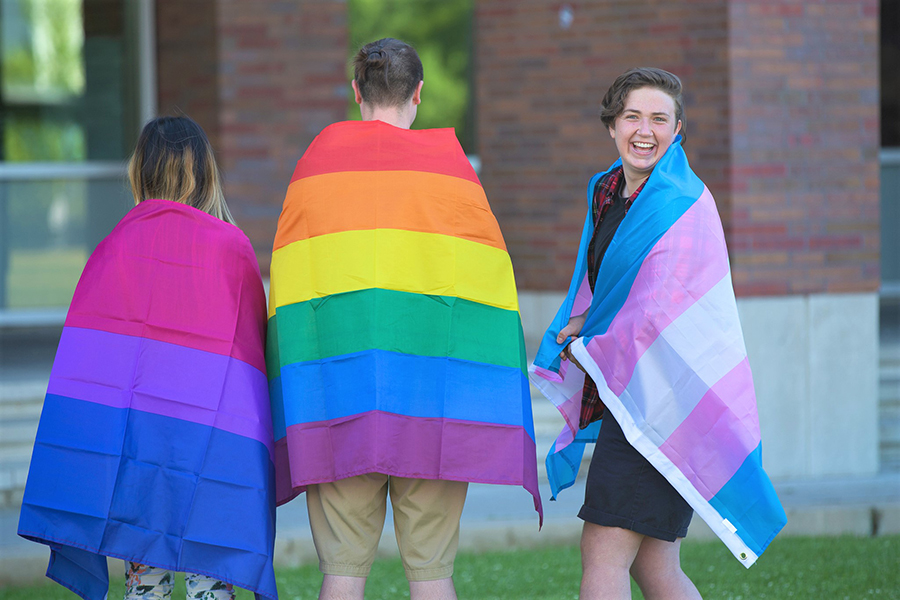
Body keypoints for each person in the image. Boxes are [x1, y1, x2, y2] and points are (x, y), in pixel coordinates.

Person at [267, 38, 541, 600]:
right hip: (431, 405)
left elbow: (293, 290)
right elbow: (484, 290)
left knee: (341, 572)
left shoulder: (314, 168)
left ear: (356, 93)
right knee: (433, 575)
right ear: (418, 94)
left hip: (339, 402)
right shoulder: (452, 172)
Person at [529, 68, 786, 599]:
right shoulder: (605, 192)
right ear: (612, 125)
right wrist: (580, 323)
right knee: (654, 564)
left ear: (678, 130)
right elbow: (610, 286)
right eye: (632, 117)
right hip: (631, 397)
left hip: (666, 399)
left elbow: (659, 314)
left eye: (659, 119)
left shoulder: (682, 203)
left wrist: (589, 343)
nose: (644, 131)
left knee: (603, 550)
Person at [18, 116, 276, 600]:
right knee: (210, 576)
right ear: (205, 172)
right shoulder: (232, 249)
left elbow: (90, 363)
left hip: (140, 446)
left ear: (143, 171)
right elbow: (250, 362)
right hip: (212, 445)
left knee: (145, 580)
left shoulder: (117, 245)